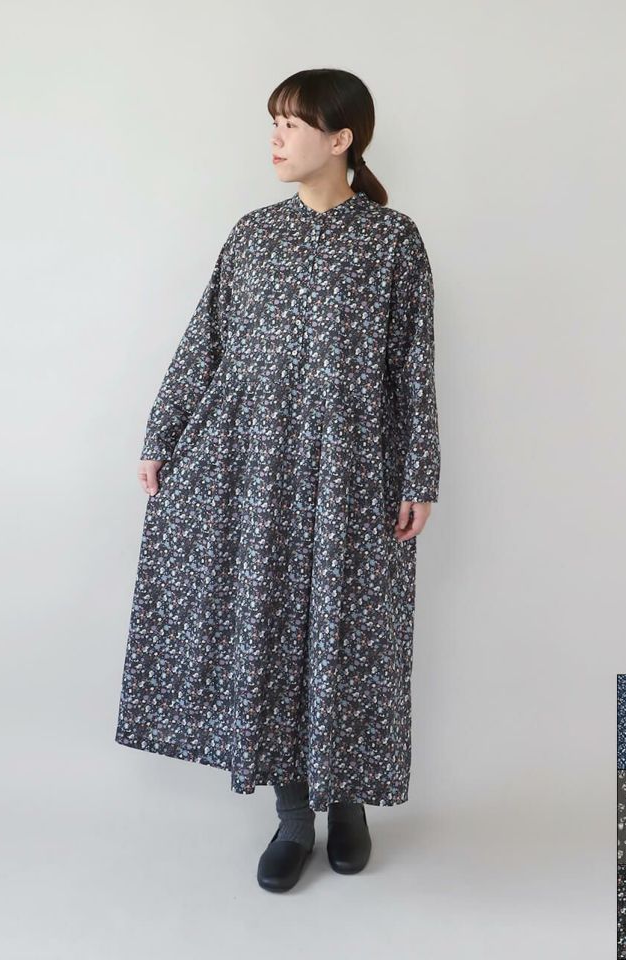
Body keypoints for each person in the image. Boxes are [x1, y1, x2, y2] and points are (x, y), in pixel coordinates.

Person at [115, 68, 441, 893]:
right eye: (275, 121)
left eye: (292, 123)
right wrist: (163, 434)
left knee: (349, 632)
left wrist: (420, 474)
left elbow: (412, 366)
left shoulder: (392, 241)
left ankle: (348, 801)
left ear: (342, 139)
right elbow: (206, 343)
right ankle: (294, 816)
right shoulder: (254, 234)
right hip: (252, 468)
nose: (276, 137)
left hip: (355, 472)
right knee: (269, 633)